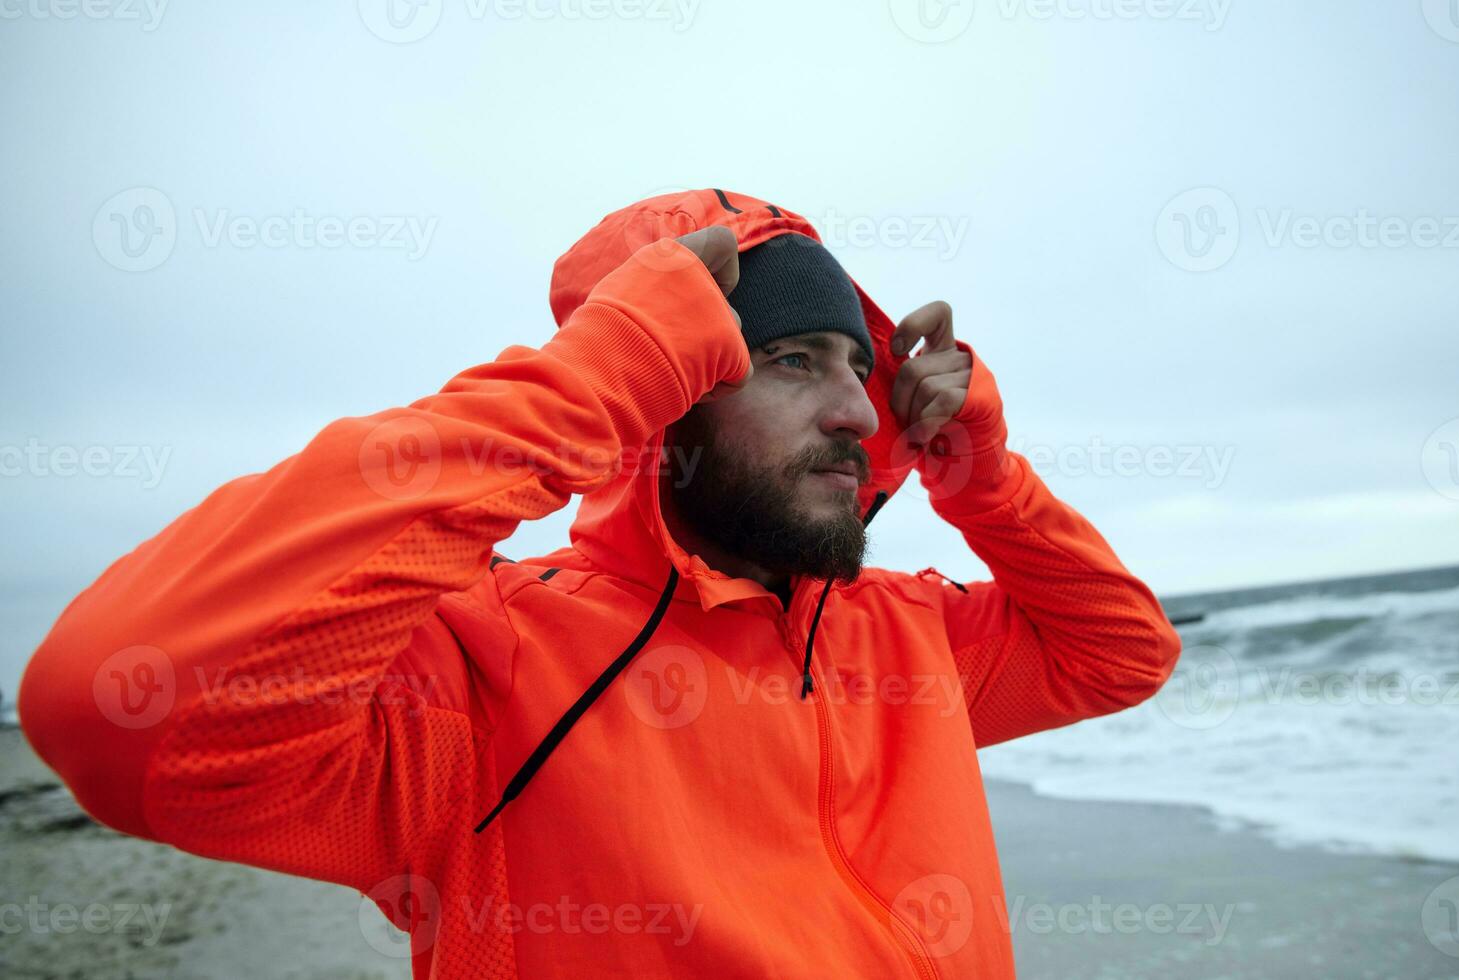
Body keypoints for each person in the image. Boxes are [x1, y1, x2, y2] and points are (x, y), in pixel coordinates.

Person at [19, 188, 1181, 978]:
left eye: (860, 372)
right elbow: (121, 706)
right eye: (788, 361)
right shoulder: (490, 671)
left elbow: (1121, 652)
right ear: (664, 389)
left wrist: (982, 473)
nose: (852, 409)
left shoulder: (905, 633)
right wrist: (583, 391)